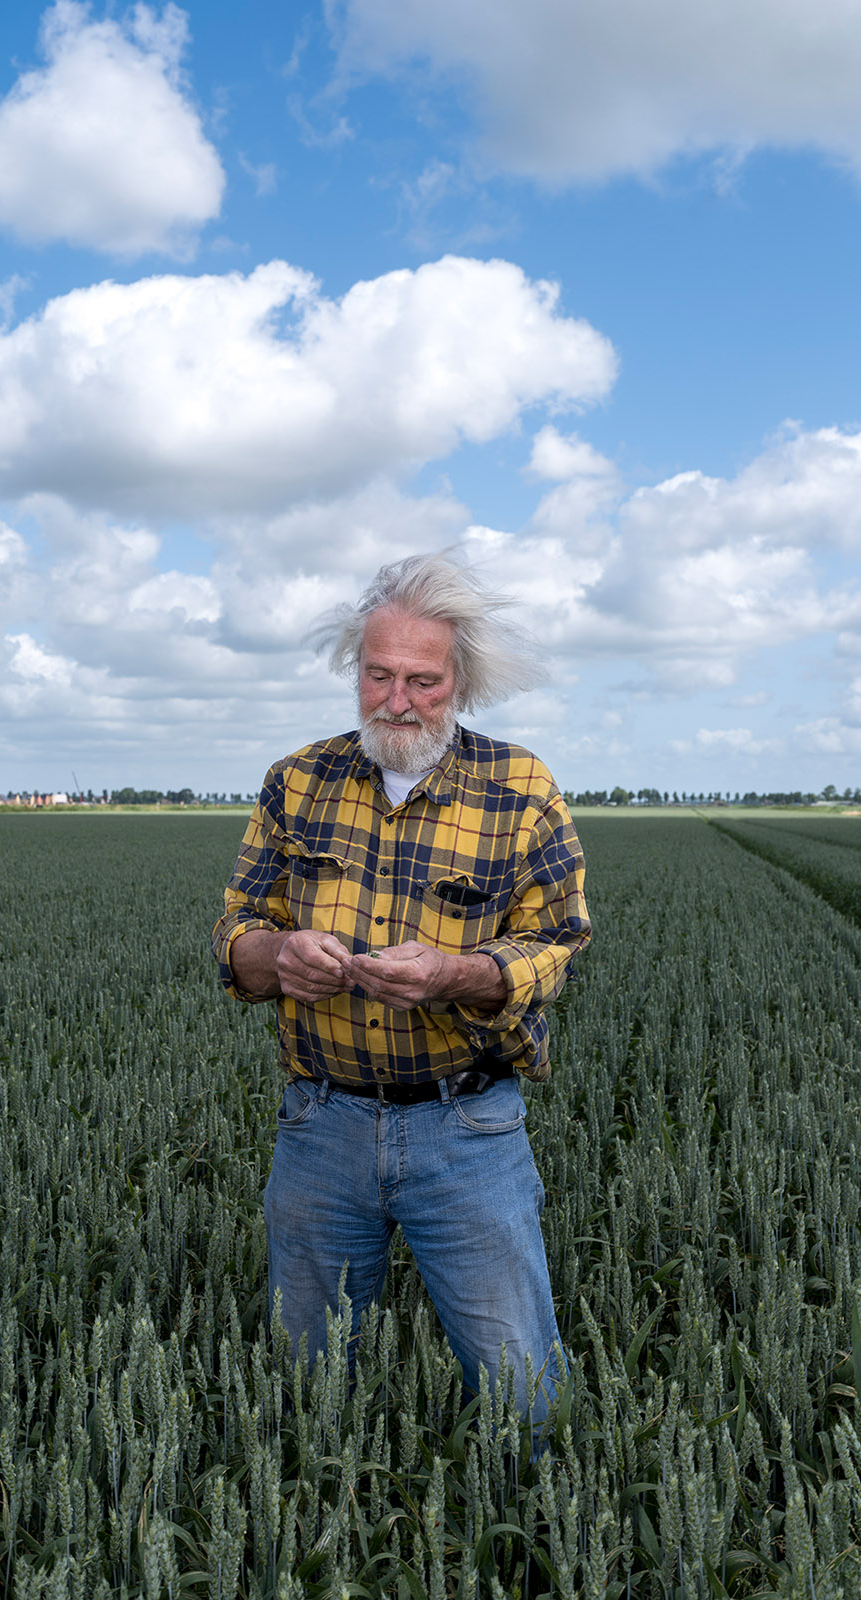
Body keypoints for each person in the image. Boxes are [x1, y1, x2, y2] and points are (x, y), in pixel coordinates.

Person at [212, 552, 590, 1433]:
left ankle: (529, 1542)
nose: (397, 699)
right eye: (378, 674)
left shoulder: (520, 789)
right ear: (357, 669)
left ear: (462, 682)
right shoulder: (296, 782)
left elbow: (559, 944)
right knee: (308, 1388)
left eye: (422, 680)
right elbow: (237, 934)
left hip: (467, 1130)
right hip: (320, 1128)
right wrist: (280, 956)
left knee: (522, 1391)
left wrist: (458, 974)